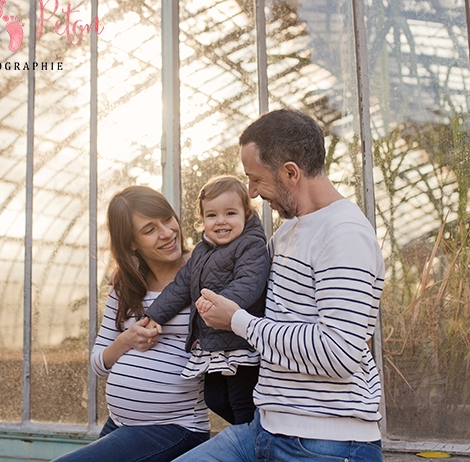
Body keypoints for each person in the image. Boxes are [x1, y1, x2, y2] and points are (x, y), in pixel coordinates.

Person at [175, 109, 386, 462]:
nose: (252, 193)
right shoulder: (289, 230)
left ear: (290, 172)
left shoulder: (344, 234)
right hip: (265, 430)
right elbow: (230, 269)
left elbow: (339, 353)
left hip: (325, 443)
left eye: (255, 179)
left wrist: (237, 321)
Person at [53, 186, 210, 462]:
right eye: (149, 230)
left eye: (167, 219)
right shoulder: (126, 286)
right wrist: (126, 340)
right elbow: (98, 363)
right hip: (120, 424)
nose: (167, 232)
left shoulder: (204, 270)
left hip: (176, 427)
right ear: (131, 243)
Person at [144, 175, 270, 426]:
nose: (221, 221)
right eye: (212, 215)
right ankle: (253, 434)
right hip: (213, 344)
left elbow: (249, 284)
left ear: (246, 214)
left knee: (241, 401)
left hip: (241, 343)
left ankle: (252, 441)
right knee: (214, 399)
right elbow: (180, 286)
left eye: (230, 213)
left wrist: (217, 304)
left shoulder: (251, 245)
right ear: (202, 219)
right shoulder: (201, 251)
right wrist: (154, 315)